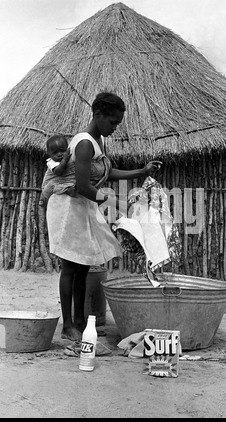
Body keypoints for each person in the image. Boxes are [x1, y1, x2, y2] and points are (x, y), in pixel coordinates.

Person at [46, 92, 162, 341]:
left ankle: (79, 321)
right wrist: (118, 203)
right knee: (70, 266)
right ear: (98, 115)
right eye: (112, 122)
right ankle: (68, 326)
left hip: (83, 206)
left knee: (83, 265)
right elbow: (85, 187)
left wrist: (141, 171)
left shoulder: (98, 141)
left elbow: (106, 173)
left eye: (118, 123)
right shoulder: (85, 143)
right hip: (68, 206)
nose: (114, 127)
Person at [39, 134, 77, 206]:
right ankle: (69, 191)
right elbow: (58, 172)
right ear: (49, 153)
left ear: (68, 149)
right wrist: (65, 160)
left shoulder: (70, 158)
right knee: (66, 189)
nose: (59, 154)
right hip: (49, 188)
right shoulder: (51, 163)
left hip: (59, 186)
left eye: (62, 151)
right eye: (55, 153)